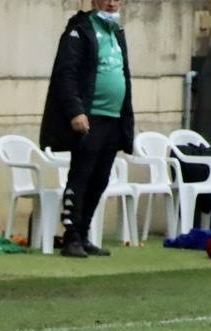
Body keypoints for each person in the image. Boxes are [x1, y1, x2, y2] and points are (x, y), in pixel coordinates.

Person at [39, 0, 134, 259]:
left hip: (114, 118)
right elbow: (65, 73)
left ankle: (84, 233)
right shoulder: (79, 29)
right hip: (89, 117)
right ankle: (71, 237)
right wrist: (75, 111)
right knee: (81, 176)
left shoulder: (116, 31)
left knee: (100, 178)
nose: (112, 3)